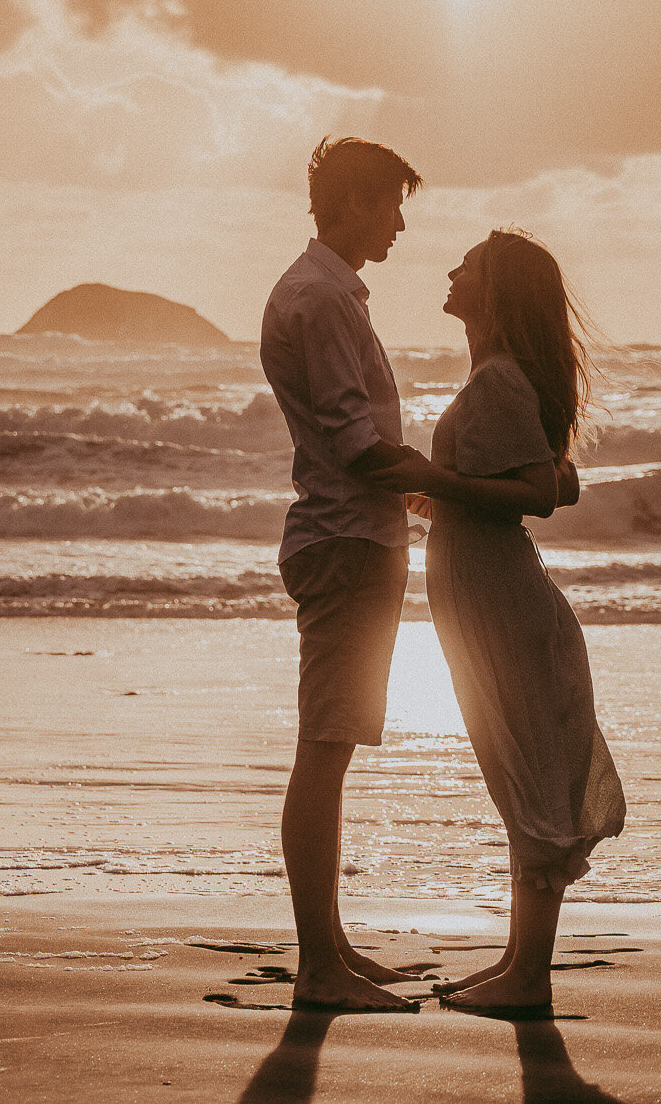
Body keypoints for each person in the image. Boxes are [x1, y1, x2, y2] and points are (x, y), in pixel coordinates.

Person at [370, 229, 627, 1019]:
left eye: (469, 265)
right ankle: (520, 964)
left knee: (528, 779)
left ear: (497, 292)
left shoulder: (503, 380)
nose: (452, 270)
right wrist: (433, 490)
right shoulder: (492, 376)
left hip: (504, 605)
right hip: (484, 598)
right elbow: (534, 481)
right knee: (515, 775)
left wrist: (429, 476)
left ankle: (529, 977)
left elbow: (540, 494)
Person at [259, 136, 428, 1012]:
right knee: (323, 752)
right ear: (355, 201)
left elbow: (348, 438)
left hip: (353, 536)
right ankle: (320, 965)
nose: (400, 222)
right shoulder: (322, 300)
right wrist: (443, 481)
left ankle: (331, 949)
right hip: (346, 540)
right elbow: (356, 442)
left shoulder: (325, 292)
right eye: (392, 204)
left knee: (330, 749)